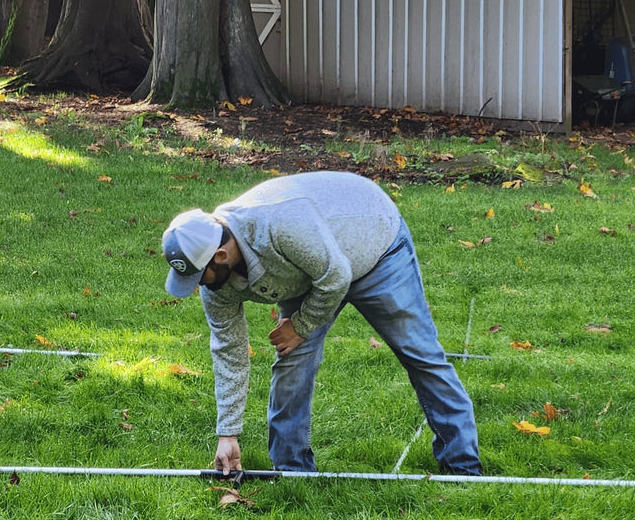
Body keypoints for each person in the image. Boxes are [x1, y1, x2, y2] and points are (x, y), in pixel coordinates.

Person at [161, 171, 481, 476]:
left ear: (219, 255)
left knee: (420, 353)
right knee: (293, 364)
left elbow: (335, 276)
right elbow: (228, 351)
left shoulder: (279, 224)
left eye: (197, 277)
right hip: (311, 272)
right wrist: (227, 433)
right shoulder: (215, 283)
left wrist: (300, 326)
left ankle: (462, 465)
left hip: (373, 240)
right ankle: (293, 471)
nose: (197, 286)